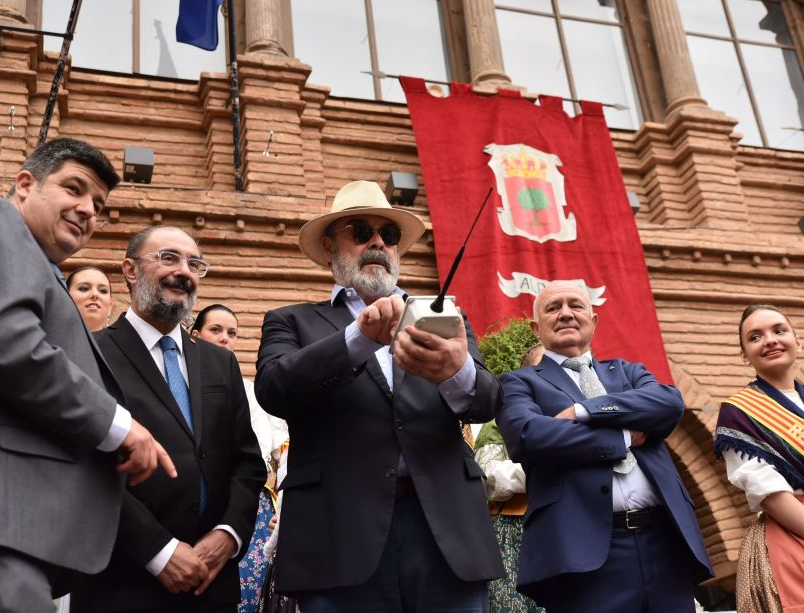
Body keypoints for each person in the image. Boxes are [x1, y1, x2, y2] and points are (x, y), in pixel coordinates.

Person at [0, 138, 174, 612]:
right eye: (74, 188)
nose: (88, 209)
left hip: (7, 535)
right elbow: (2, 338)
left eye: (99, 204)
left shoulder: (41, 269)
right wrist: (118, 427)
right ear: (25, 183)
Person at [255, 180, 504, 612]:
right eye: (360, 231)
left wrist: (456, 371)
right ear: (331, 248)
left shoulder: (443, 317)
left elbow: (486, 401)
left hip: (444, 533)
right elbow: (274, 389)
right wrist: (358, 338)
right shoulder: (291, 321)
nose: (376, 242)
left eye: (387, 235)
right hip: (339, 536)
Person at [71, 226, 265, 613]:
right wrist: (158, 551)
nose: (185, 271)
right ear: (130, 269)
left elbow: (246, 461)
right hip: (122, 583)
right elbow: (82, 469)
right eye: (168, 258)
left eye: (194, 263)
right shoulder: (88, 354)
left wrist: (227, 536)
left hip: (211, 584)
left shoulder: (219, 361)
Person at [497, 281, 712, 613]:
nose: (566, 313)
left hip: (665, 543)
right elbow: (529, 436)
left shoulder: (628, 372)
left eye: (576, 306)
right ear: (536, 327)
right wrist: (623, 436)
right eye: (554, 307)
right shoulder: (519, 382)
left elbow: (668, 404)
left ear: (593, 321)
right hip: (584, 552)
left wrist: (585, 411)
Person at [715, 304, 804, 612]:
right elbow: (770, 495)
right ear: (744, 355)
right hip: (797, 540)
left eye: (779, 331)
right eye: (755, 337)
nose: (770, 340)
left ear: (798, 340)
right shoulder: (739, 412)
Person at [191, 303, 289, 612]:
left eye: (232, 333)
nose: (225, 339)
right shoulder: (178, 385)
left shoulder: (253, 392)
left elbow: (283, 452)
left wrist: (286, 507)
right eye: (215, 330)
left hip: (249, 512)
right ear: (194, 335)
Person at [475, 343, 545, 613]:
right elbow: (489, 478)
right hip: (514, 534)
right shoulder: (500, 419)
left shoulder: (585, 417)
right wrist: (552, 472)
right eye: (542, 369)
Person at [67, 265, 114, 331]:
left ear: (110, 306)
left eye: (103, 291)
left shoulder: (125, 340)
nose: (95, 294)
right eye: (84, 288)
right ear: (66, 297)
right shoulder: (49, 338)